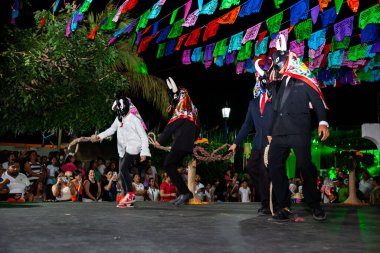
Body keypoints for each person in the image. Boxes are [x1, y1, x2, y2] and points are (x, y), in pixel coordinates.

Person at [267, 35, 330, 221]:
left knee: (305, 166)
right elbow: (275, 109)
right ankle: (284, 206)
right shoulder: (278, 84)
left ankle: (315, 204)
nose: (277, 67)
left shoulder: (304, 79)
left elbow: (317, 100)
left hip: (299, 130)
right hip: (279, 132)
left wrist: (323, 122)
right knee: (274, 166)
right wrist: (270, 132)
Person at [229, 59, 273, 215]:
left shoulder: (274, 100)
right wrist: (235, 143)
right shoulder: (252, 103)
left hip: (271, 144)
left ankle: (266, 205)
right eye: (259, 79)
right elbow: (247, 125)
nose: (261, 82)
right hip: (257, 144)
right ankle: (268, 199)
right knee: (252, 168)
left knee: (264, 171)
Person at [97, 96, 150, 208]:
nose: (119, 111)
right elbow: (111, 129)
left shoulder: (134, 119)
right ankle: (128, 198)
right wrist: (100, 136)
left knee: (123, 168)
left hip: (133, 146)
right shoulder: (119, 119)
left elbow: (143, 136)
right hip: (122, 149)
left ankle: (130, 194)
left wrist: (143, 152)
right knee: (121, 172)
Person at [154, 77, 200, 206]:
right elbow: (198, 128)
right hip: (187, 145)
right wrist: (194, 140)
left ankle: (186, 193)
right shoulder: (193, 111)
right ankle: (185, 192)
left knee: (168, 165)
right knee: (172, 166)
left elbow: (170, 127)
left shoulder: (182, 111)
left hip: (180, 144)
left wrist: (160, 141)